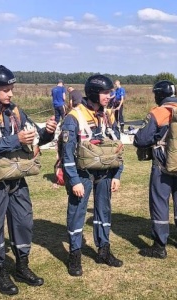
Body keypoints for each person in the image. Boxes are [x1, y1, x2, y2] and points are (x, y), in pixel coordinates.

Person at [0, 65, 57, 296]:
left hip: (17, 179)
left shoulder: (15, 111)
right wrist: (15, 140)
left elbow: (34, 137)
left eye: (12, 89)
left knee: (23, 222)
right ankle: (0, 271)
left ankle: (22, 265)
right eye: (6, 90)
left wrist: (47, 132)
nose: (11, 94)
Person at [59, 74, 124, 276]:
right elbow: (67, 153)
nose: (109, 96)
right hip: (82, 174)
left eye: (110, 92)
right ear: (94, 93)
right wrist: (74, 180)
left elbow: (118, 147)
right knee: (77, 213)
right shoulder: (73, 118)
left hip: (105, 173)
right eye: (105, 92)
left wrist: (117, 174)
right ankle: (75, 255)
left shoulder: (108, 115)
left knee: (103, 211)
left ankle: (103, 250)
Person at [133, 80, 177, 258]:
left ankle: (160, 246)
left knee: (159, 203)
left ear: (159, 95)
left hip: (162, 164)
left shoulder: (158, 112)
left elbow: (141, 139)